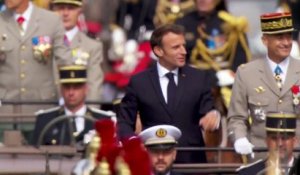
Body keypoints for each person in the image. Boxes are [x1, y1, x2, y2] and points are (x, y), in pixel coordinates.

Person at [117, 24, 220, 163]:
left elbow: (208, 110)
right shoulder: (139, 82)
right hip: (153, 161)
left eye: (183, 46)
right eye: (176, 47)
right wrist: (134, 143)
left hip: (191, 163)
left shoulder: (198, 78)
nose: (183, 51)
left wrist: (213, 116)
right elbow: (124, 122)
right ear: (159, 50)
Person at [227, 12, 300, 161]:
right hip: (261, 156)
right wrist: (240, 138)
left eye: (289, 37)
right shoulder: (246, 73)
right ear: (265, 40)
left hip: (297, 156)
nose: (286, 43)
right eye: (280, 38)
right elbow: (237, 117)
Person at [31, 65, 115, 147]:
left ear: (86, 89)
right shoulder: (45, 120)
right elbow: (35, 156)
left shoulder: (103, 120)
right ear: (61, 89)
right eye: (67, 87)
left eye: (76, 87)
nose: (71, 93)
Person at [51, 0, 104, 104]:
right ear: (54, 10)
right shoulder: (42, 41)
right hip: (46, 107)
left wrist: (89, 116)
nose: (65, 13)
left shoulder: (92, 46)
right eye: (61, 8)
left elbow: (94, 86)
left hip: (79, 110)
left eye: (71, 8)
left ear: (79, 11)